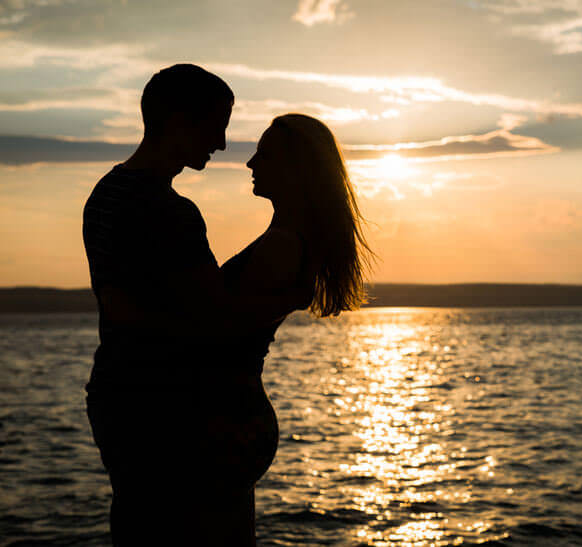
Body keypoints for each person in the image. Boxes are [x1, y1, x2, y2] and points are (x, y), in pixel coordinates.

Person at [82, 65, 309, 546]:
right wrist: (290, 298)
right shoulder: (170, 212)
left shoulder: (105, 194)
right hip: (167, 418)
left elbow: (129, 307)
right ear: (178, 120)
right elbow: (215, 320)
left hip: (118, 399)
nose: (224, 144)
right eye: (217, 125)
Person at [201, 113, 375, 543]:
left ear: (295, 168)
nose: (250, 163)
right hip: (233, 413)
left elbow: (222, 333)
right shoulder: (288, 237)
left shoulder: (283, 245)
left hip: (227, 418)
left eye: (264, 153)